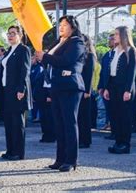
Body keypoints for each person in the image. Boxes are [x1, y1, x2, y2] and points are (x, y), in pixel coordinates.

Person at [36, 15, 86, 172]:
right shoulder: (58, 42)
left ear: (72, 27)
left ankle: (71, 160)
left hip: (70, 87)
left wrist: (46, 56)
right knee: (59, 124)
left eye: (64, 25)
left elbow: (66, 60)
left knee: (69, 123)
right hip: (56, 86)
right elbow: (50, 62)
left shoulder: (77, 42)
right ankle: (60, 158)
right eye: (60, 25)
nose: (61, 27)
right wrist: (41, 58)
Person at [103, 26, 136, 154]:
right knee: (115, 116)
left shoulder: (131, 51)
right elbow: (110, 71)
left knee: (125, 117)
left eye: (117, 34)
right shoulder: (115, 51)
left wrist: (128, 90)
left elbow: (132, 72)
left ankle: (125, 144)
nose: (114, 36)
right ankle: (118, 142)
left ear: (124, 35)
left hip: (124, 87)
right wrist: (107, 87)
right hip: (113, 86)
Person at [0, 25, 32, 160]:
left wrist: (21, 89)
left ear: (20, 35)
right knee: (8, 121)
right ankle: (10, 150)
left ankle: (18, 152)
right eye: (8, 33)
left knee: (17, 122)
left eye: (13, 33)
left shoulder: (23, 50)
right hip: (6, 90)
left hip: (17, 90)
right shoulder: (9, 50)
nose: (10, 36)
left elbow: (25, 71)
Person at [78, 35, 96, 149]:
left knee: (85, 116)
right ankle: (81, 138)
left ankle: (86, 140)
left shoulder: (90, 56)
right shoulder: (81, 55)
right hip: (79, 88)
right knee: (80, 116)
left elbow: (89, 74)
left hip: (85, 90)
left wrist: (87, 90)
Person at [32, 54, 55, 143]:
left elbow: (49, 83)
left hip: (46, 97)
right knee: (44, 118)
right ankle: (46, 135)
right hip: (40, 97)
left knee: (49, 117)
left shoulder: (49, 68)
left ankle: (50, 136)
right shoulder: (42, 68)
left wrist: (49, 95)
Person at [97, 34, 115, 135]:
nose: (110, 41)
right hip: (105, 86)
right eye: (109, 39)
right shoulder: (106, 55)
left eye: (112, 39)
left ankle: (113, 126)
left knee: (114, 108)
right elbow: (102, 72)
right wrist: (100, 86)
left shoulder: (118, 54)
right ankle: (108, 123)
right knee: (108, 107)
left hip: (113, 87)